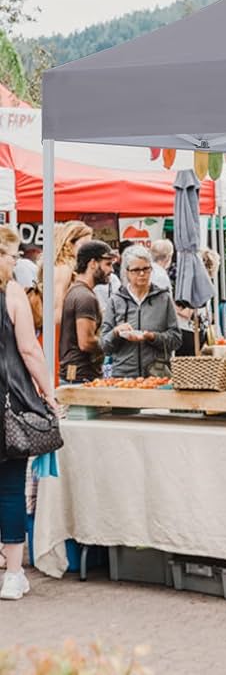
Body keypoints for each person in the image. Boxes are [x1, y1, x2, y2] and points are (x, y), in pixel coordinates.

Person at [0, 227, 60, 600]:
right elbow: (29, 350)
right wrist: (49, 393)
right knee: (10, 489)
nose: (15, 261)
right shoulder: (13, 294)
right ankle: (13, 574)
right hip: (8, 401)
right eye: (11, 255)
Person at [101, 246, 180, 379]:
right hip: (123, 377)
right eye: (136, 270)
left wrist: (152, 337)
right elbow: (104, 346)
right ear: (126, 272)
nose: (142, 274)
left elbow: (176, 339)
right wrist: (115, 332)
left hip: (157, 375)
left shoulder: (163, 298)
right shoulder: (116, 300)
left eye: (146, 269)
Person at [58, 241, 115, 383]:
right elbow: (86, 342)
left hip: (75, 375)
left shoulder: (77, 291)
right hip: (80, 377)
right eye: (108, 264)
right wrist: (111, 340)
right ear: (93, 263)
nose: (112, 270)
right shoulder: (85, 297)